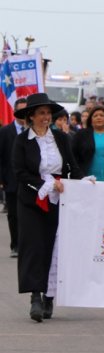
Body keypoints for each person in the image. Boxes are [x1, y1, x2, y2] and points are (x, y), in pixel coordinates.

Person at [12, 93, 83, 322]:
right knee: (33, 246)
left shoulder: (61, 139)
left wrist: (83, 184)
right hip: (32, 200)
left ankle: (49, 296)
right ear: (31, 116)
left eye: (48, 113)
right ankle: (35, 297)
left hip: (58, 199)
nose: (46, 117)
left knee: (55, 247)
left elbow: (72, 166)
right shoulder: (22, 141)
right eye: (41, 113)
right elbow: (20, 173)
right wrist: (44, 185)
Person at [0, 98, 27, 257]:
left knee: (29, 215)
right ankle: (15, 244)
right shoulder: (5, 132)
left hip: (30, 181)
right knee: (14, 214)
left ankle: (27, 244)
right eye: (20, 110)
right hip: (11, 180)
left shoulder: (34, 131)